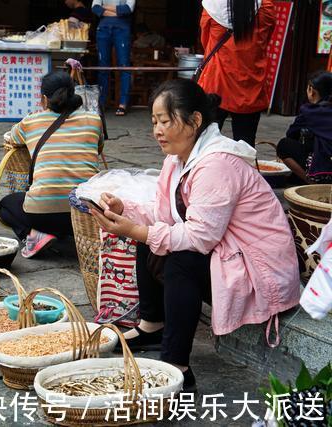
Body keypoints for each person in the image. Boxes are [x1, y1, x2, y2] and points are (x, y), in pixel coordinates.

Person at [90, 79, 300, 391]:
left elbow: (200, 238)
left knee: (180, 260)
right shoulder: (177, 159)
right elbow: (162, 213)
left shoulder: (217, 164)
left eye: (164, 121)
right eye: (154, 122)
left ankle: (178, 368)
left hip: (262, 272)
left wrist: (137, 229)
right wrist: (126, 210)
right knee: (149, 239)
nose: (157, 130)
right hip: (229, 251)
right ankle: (152, 326)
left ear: (195, 121)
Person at [0, 71, 103, 258]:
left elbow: (11, 137)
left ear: (44, 99)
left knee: (5, 206)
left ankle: (33, 237)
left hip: (42, 215)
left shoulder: (31, 121)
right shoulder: (94, 120)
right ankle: (71, 233)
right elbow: (99, 147)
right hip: (85, 213)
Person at [198, 0, 275, 147]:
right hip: (250, 85)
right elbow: (265, 40)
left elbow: (205, 41)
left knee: (205, 143)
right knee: (245, 144)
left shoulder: (211, 7)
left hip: (216, 81)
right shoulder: (266, 7)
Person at [276, 71, 332, 184]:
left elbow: (291, 134)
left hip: (325, 170)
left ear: (312, 91)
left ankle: (313, 184)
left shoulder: (310, 111)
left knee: (284, 145)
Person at [92, 0, 135, 116]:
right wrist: (117, 12)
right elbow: (95, 8)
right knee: (102, 67)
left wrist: (105, 8)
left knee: (124, 66)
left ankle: (123, 103)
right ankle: (102, 102)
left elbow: (128, 9)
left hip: (122, 29)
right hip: (103, 29)